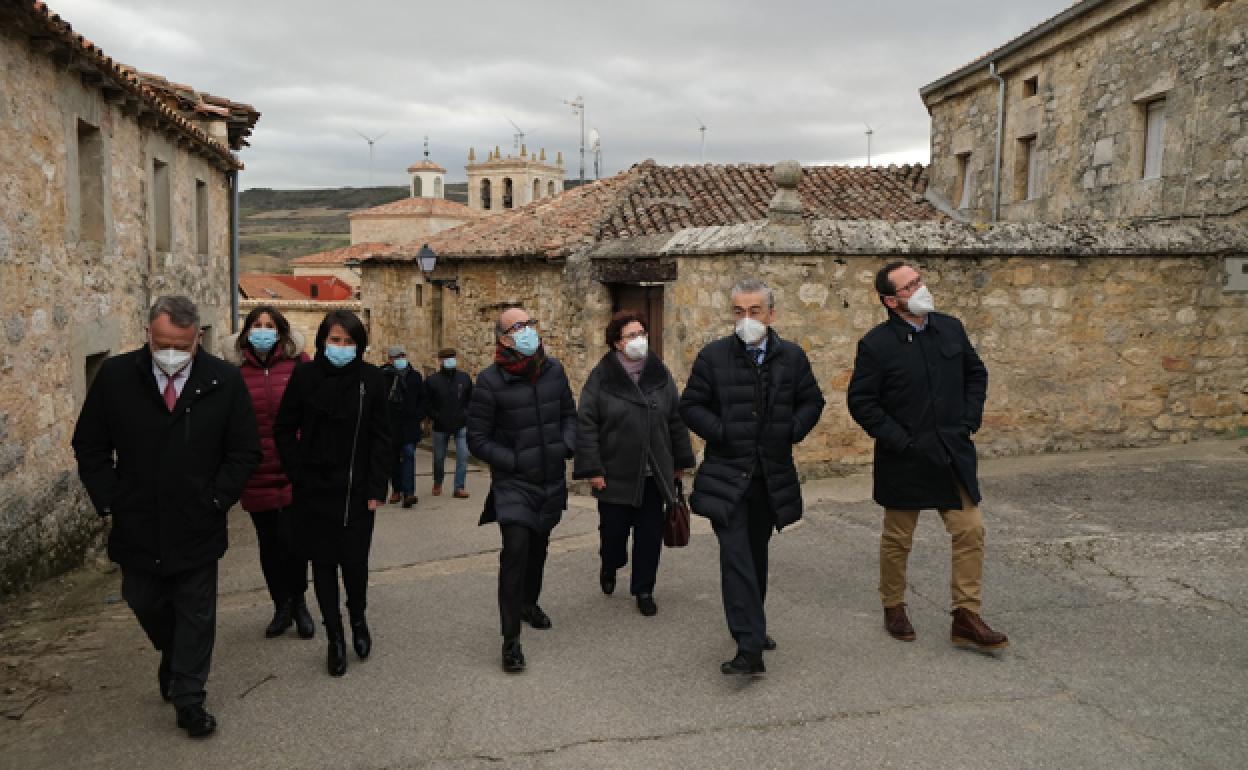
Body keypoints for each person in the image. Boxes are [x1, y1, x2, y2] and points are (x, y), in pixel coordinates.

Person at [72, 296, 261, 738]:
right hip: (137, 520)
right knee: (143, 599)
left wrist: (217, 499)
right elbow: (90, 446)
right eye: (162, 343)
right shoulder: (117, 377)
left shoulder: (223, 381)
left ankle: (190, 699)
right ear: (147, 336)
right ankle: (175, 658)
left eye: (180, 344)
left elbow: (244, 450)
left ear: (197, 339)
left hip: (198, 520)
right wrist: (111, 498)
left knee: (196, 611)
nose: (170, 353)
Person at [847, 261, 1008, 651]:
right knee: (898, 538)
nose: (920, 288)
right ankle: (894, 605)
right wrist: (899, 440)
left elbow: (976, 374)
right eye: (909, 286)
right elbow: (862, 402)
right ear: (890, 300)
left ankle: (966, 616)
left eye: (919, 280)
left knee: (970, 529)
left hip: (951, 452)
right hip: (905, 457)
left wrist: (968, 420)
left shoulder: (950, 327)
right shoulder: (876, 345)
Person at [679, 278, 825, 676]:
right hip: (728, 475)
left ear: (771, 314)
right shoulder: (714, 357)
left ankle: (752, 627)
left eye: (754, 311)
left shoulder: (792, 358)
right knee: (736, 556)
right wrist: (723, 431)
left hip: (769, 475)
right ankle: (749, 646)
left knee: (756, 555)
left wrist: (791, 429)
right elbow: (691, 405)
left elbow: (813, 401)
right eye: (738, 311)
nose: (746, 319)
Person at [273, 310, 391, 677]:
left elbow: (382, 437)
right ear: (323, 340)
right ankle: (334, 637)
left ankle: (358, 619)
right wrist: (297, 473)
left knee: (354, 565)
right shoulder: (305, 377)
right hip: (314, 491)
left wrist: (376, 488)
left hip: (356, 492)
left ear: (359, 345)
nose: (341, 347)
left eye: (348, 341)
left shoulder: (371, 380)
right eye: (335, 340)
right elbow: (283, 428)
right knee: (322, 566)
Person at [466, 306, 577, 673]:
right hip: (514, 482)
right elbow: (478, 440)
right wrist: (513, 460)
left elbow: (569, 418)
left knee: (539, 547)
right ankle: (510, 640)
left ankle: (529, 603)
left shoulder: (554, 371)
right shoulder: (490, 382)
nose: (528, 330)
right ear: (504, 338)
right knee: (515, 551)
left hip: (550, 478)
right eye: (519, 326)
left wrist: (565, 446)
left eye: (530, 323)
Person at [574, 312, 695, 617]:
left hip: (655, 474)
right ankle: (610, 563)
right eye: (631, 335)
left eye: (642, 332)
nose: (639, 339)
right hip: (615, 471)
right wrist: (593, 468)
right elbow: (586, 423)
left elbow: (676, 419)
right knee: (613, 534)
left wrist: (680, 460)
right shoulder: (602, 377)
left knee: (649, 535)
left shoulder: (659, 373)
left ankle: (644, 589)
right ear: (616, 342)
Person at [234, 306, 315, 641]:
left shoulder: (299, 365)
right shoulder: (234, 372)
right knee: (268, 544)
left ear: (281, 332)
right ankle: (280, 605)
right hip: (256, 470)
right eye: (256, 325)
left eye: (269, 325)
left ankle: (300, 603)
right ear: (246, 332)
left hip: (294, 466)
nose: (262, 331)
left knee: (295, 541)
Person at [424, 346, 473, 498]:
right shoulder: (432, 381)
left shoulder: (464, 378)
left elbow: (471, 398)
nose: (450, 360)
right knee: (439, 458)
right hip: (440, 426)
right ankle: (438, 481)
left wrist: (466, 413)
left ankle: (459, 487)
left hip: (461, 424)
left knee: (463, 456)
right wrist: (435, 416)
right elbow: (426, 403)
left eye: (452, 357)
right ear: (440, 361)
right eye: (447, 358)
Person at [381, 344, 424, 508]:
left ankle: (409, 493)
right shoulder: (383, 375)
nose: (400, 359)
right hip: (390, 425)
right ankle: (397, 489)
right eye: (396, 357)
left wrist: (418, 415)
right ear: (390, 360)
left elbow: (422, 398)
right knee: (392, 459)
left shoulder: (415, 376)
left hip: (409, 425)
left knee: (408, 455)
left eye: (402, 356)